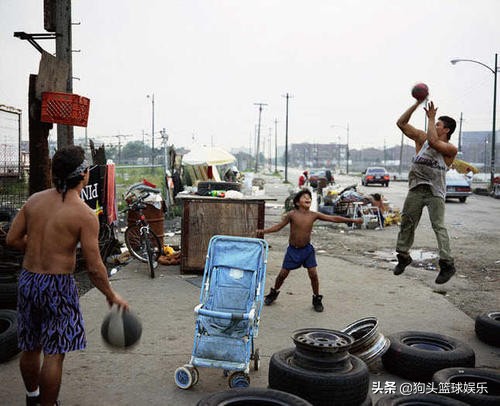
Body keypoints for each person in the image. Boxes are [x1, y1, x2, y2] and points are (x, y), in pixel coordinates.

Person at [6, 146, 129, 406]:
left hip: (28, 280)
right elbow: (95, 268)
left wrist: (39, 245)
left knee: (30, 346)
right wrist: (111, 295)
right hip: (57, 286)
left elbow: (12, 239)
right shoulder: (84, 215)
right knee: (54, 353)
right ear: (84, 175)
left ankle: (32, 397)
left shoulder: (34, 201)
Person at [256, 189, 362, 312]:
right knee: (282, 274)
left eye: (309, 197)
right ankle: (273, 293)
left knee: (313, 274)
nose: (308, 199)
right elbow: (278, 227)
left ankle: (317, 298)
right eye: (304, 197)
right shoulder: (292, 214)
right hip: (293, 250)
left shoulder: (313, 215)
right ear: (297, 202)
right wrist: (264, 231)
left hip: (307, 250)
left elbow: (333, 218)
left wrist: (352, 220)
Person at [394, 99, 458, 284]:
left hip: (435, 192)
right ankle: (403, 256)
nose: (434, 125)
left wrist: (431, 117)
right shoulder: (422, 139)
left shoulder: (450, 149)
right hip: (416, 188)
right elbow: (401, 124)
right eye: (434, 123)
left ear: (446, 130)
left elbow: (434, 141)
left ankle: (447, 264)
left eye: (438, 124)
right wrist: (415, 104)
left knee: (438, 226)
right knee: (407, 222)